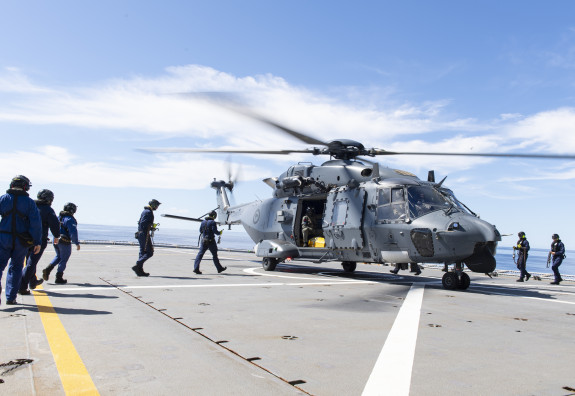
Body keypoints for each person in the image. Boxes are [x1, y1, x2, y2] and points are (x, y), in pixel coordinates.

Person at [0, 175, 42, 305]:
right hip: (21, 241)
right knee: (16, 267)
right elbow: (35, 223)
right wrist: (37, 242)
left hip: (3, 239)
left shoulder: (3, 199)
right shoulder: (29, 203)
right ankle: (11, 297)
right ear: (25, 186)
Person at [19, 189, 61, 295]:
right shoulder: (48, 210)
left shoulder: (30, 205)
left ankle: (33, 282)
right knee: (31, 263)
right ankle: (22, 287)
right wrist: (56, 236)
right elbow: (54, 224)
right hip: (39, 241)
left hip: (25, 239)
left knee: (29, 261)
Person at [42, 203, 80, 284]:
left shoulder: (59, 217)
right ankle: (59, 277)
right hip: (64, 242)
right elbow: (73, 233)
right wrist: (76, 243)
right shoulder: (70, 219)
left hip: (55, 240)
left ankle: (48, 269)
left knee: (58, 256)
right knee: (64, 259)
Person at [132, 199, 161, 277]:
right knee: (150, 252)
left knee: (142, 252)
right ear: (153, 205)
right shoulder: (148, 212)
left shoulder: (145, 211)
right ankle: (138, 264)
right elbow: (143, 223)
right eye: (157, 205)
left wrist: (150, 227)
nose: (157, 207)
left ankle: (139, 270)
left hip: (142, 233)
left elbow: (141, 223)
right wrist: (150, 227)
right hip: (144, 234)